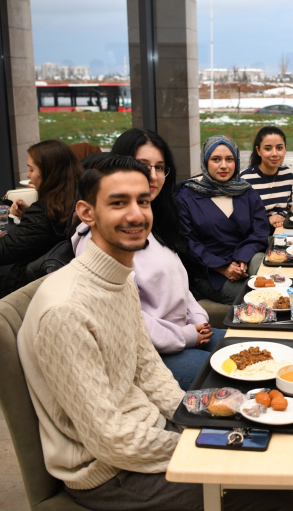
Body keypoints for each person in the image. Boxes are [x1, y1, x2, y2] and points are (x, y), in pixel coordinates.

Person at [18, 155, 290, 511]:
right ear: (86, 213)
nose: (136, 215)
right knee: (267, 489)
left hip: (150, 432)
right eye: (118, 203)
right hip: (110, 472)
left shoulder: (119, 279)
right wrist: (200, 444)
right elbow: (109, 439)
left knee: (266, 435)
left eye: (143, 201)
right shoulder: (66, 310)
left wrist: (193, 418)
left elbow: (149, 370)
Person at [71, 129, 225, 390]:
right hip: (145, 355)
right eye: (143, 166)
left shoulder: (152, 222)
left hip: (181, 334)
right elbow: (125, 319)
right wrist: (185, 336)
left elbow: (178, 283)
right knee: (232, 374)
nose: (153, 176)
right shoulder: (99, 239)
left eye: (160, 167)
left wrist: (198, 319)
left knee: (248, 350)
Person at [176, 134, 269, 305]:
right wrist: (223, 267)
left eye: (229, 159)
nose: (224, 166)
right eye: (216, 159)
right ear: (205, 161)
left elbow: (260, 230)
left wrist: (243, 258)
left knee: (273, 284)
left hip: (246, 261)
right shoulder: (187, 197)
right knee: (260, 298)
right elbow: (188, 243)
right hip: (211, 272)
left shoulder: (247, 192)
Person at [0, 140, 82, 297]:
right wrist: (28, 215)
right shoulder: (80, 195)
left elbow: (2, 251)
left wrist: (33, 216)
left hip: (28, 288)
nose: (28, 176)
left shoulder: (44, 212)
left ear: (49, 173)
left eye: (31, 169)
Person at [240, 126, 293, 231]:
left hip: (280, 229)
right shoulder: (245, 178)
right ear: (258, 150)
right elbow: (242, 218)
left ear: (285, 149)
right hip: (256, 232)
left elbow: (287, 206)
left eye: (279, 148)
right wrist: (268, 221)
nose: (274, 154)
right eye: (268, 148)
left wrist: (279, 217)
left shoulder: (287, 174)